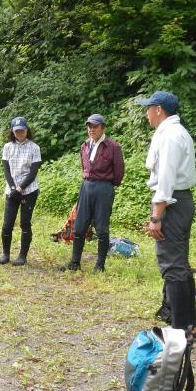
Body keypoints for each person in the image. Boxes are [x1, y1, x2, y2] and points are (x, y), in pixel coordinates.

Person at [137, 91, 196, 334]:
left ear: (159, 109)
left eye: (148, 108)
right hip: (180, 201)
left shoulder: (170, 136)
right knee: (179, 263)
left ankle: (180, 327)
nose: (146, 113)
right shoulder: (176, 132)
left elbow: (166, 179)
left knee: (172, 265)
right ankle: (187, 323)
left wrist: (156, 216)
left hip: (173, 204)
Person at [60, 114, 125, 273]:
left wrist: (107, 185)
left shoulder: (113, 147)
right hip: (86, 187)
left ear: (103, 128)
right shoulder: (84, 146)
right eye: (89, 126)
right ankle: (75, 262)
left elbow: (119, 172)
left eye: (95, 126)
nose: (91, 129)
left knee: (102, 228)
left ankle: (100, 265)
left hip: (104, 188)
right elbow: (85, 167)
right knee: (79, 226)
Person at [0, 117, 41, 266]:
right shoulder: (8, 147)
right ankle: (5, 254)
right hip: (11, 190)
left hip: (29, 190)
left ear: (27, 130)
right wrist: (13, 188)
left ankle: (22, 256)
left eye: (22, 130)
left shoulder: (34, 147)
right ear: (13, 132)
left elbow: (33, 172)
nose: (20, 133)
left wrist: (20, 188)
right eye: (17, 131)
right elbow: (6, 170)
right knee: (7, 223)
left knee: (25, 222)